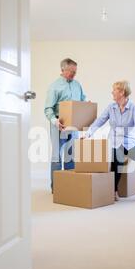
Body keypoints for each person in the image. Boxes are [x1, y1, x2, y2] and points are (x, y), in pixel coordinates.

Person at [85, 80, 135, 203]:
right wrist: (88, 134)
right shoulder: (111, 107)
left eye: (114, 90)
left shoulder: (134, 107)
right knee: (116, 160)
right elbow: (99, 121)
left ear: (122, 92)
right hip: (114, 142)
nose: (112, 92)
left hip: (129, 143)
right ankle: (114, 191)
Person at [44, 58, 87, 191]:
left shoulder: (77, 85)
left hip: (73, 125)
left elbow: (82, 99)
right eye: (71, 72)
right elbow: (48, 108)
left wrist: (86, 105)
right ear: (63, 70)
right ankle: (56, 188)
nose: (74, 74)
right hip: (58, 124)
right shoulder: (54, 87)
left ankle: (69, 185)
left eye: (75, 72)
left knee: (71, 154)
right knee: (57, 155)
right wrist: (55, 121)